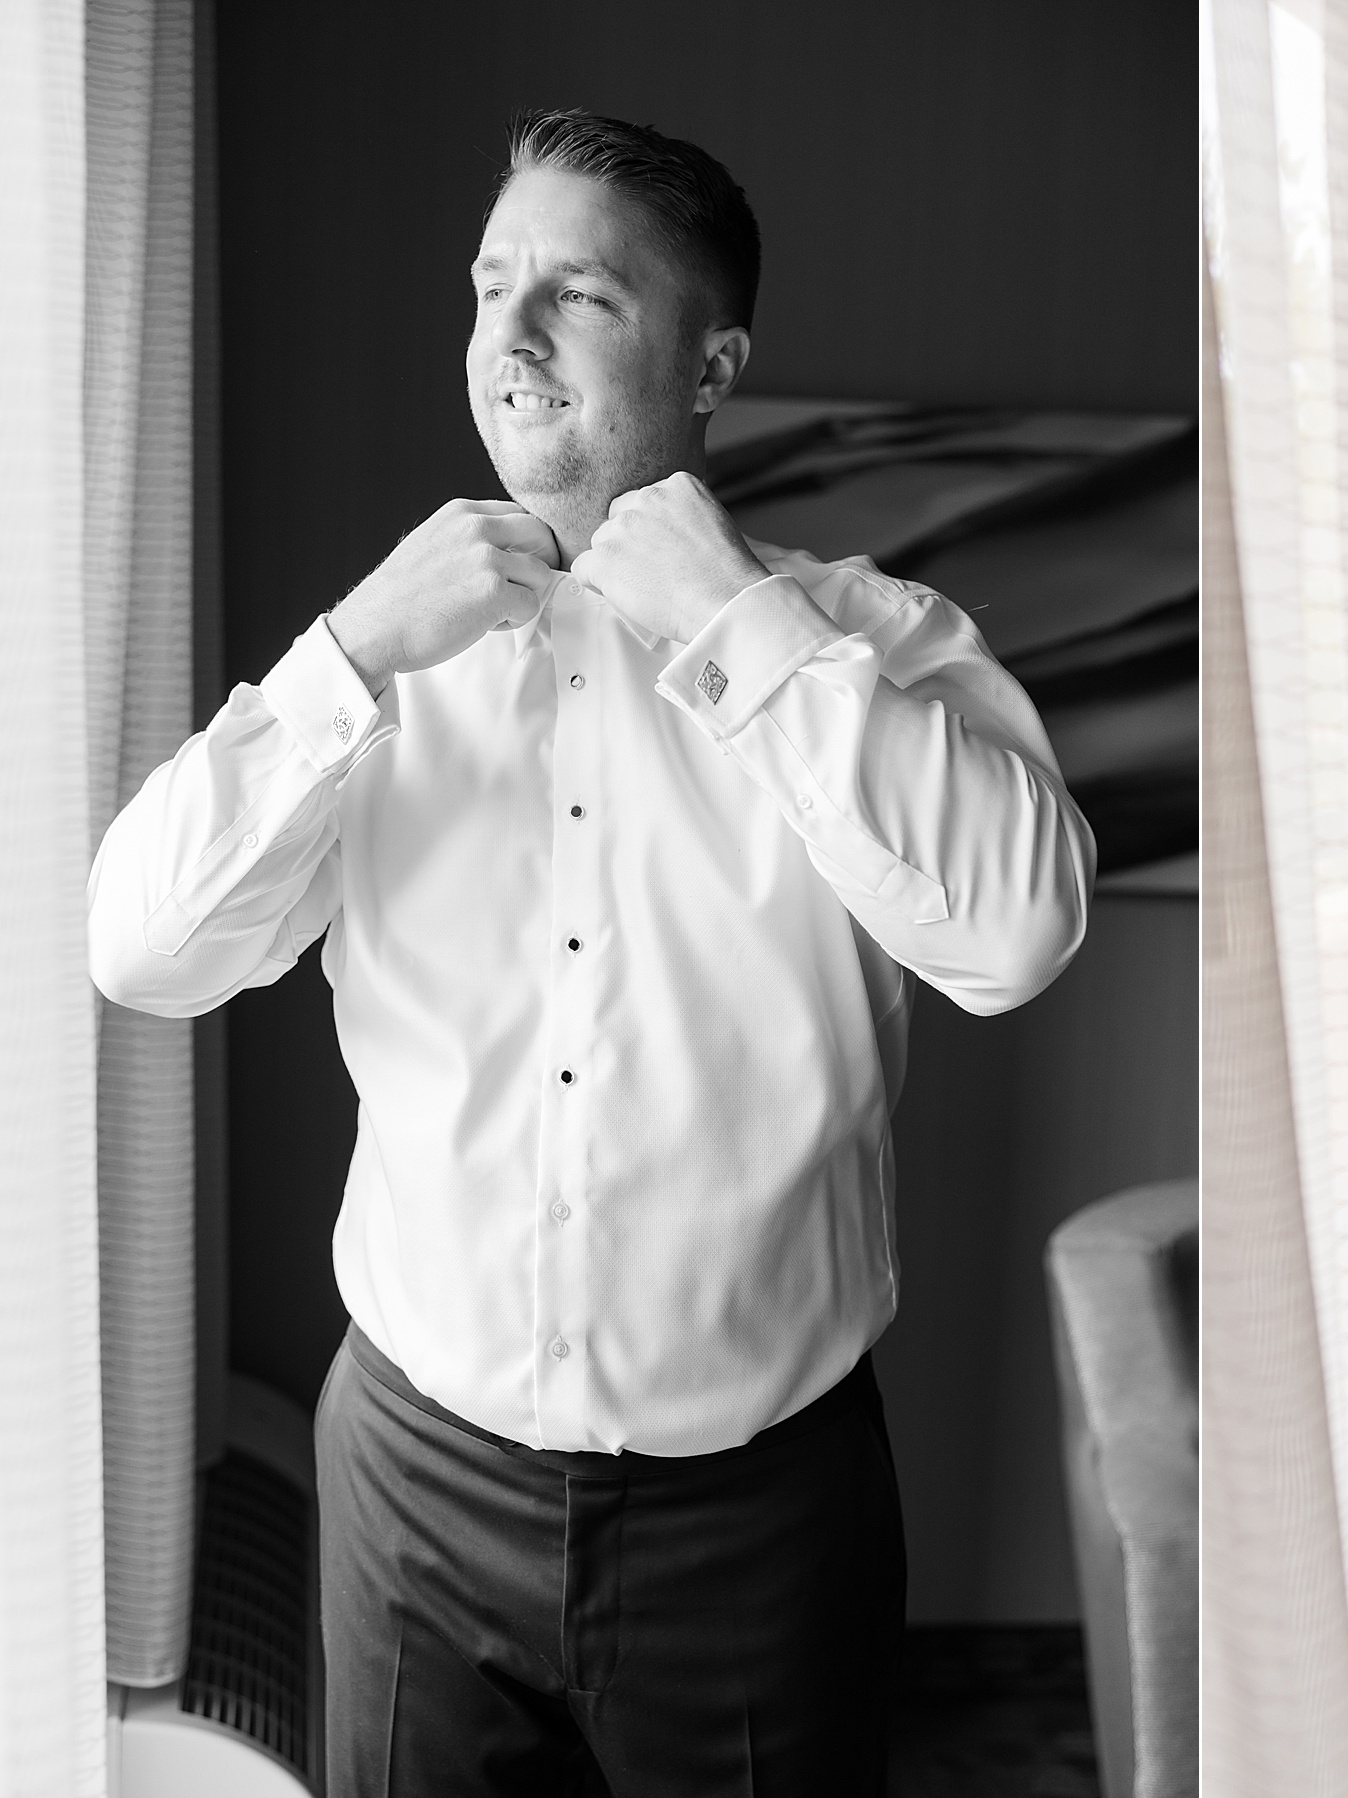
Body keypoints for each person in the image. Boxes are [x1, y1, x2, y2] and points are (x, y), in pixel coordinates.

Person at [89, 108, 1092, 1796]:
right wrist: (344, 658)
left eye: (582, 294)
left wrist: (741, 624)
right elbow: (140, 945)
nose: (513, 332)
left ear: (716, 363)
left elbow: (1018, 933)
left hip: (762, 1519)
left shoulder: (876, 644)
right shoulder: (383, 666)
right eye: (492, 286)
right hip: (410, 1481)